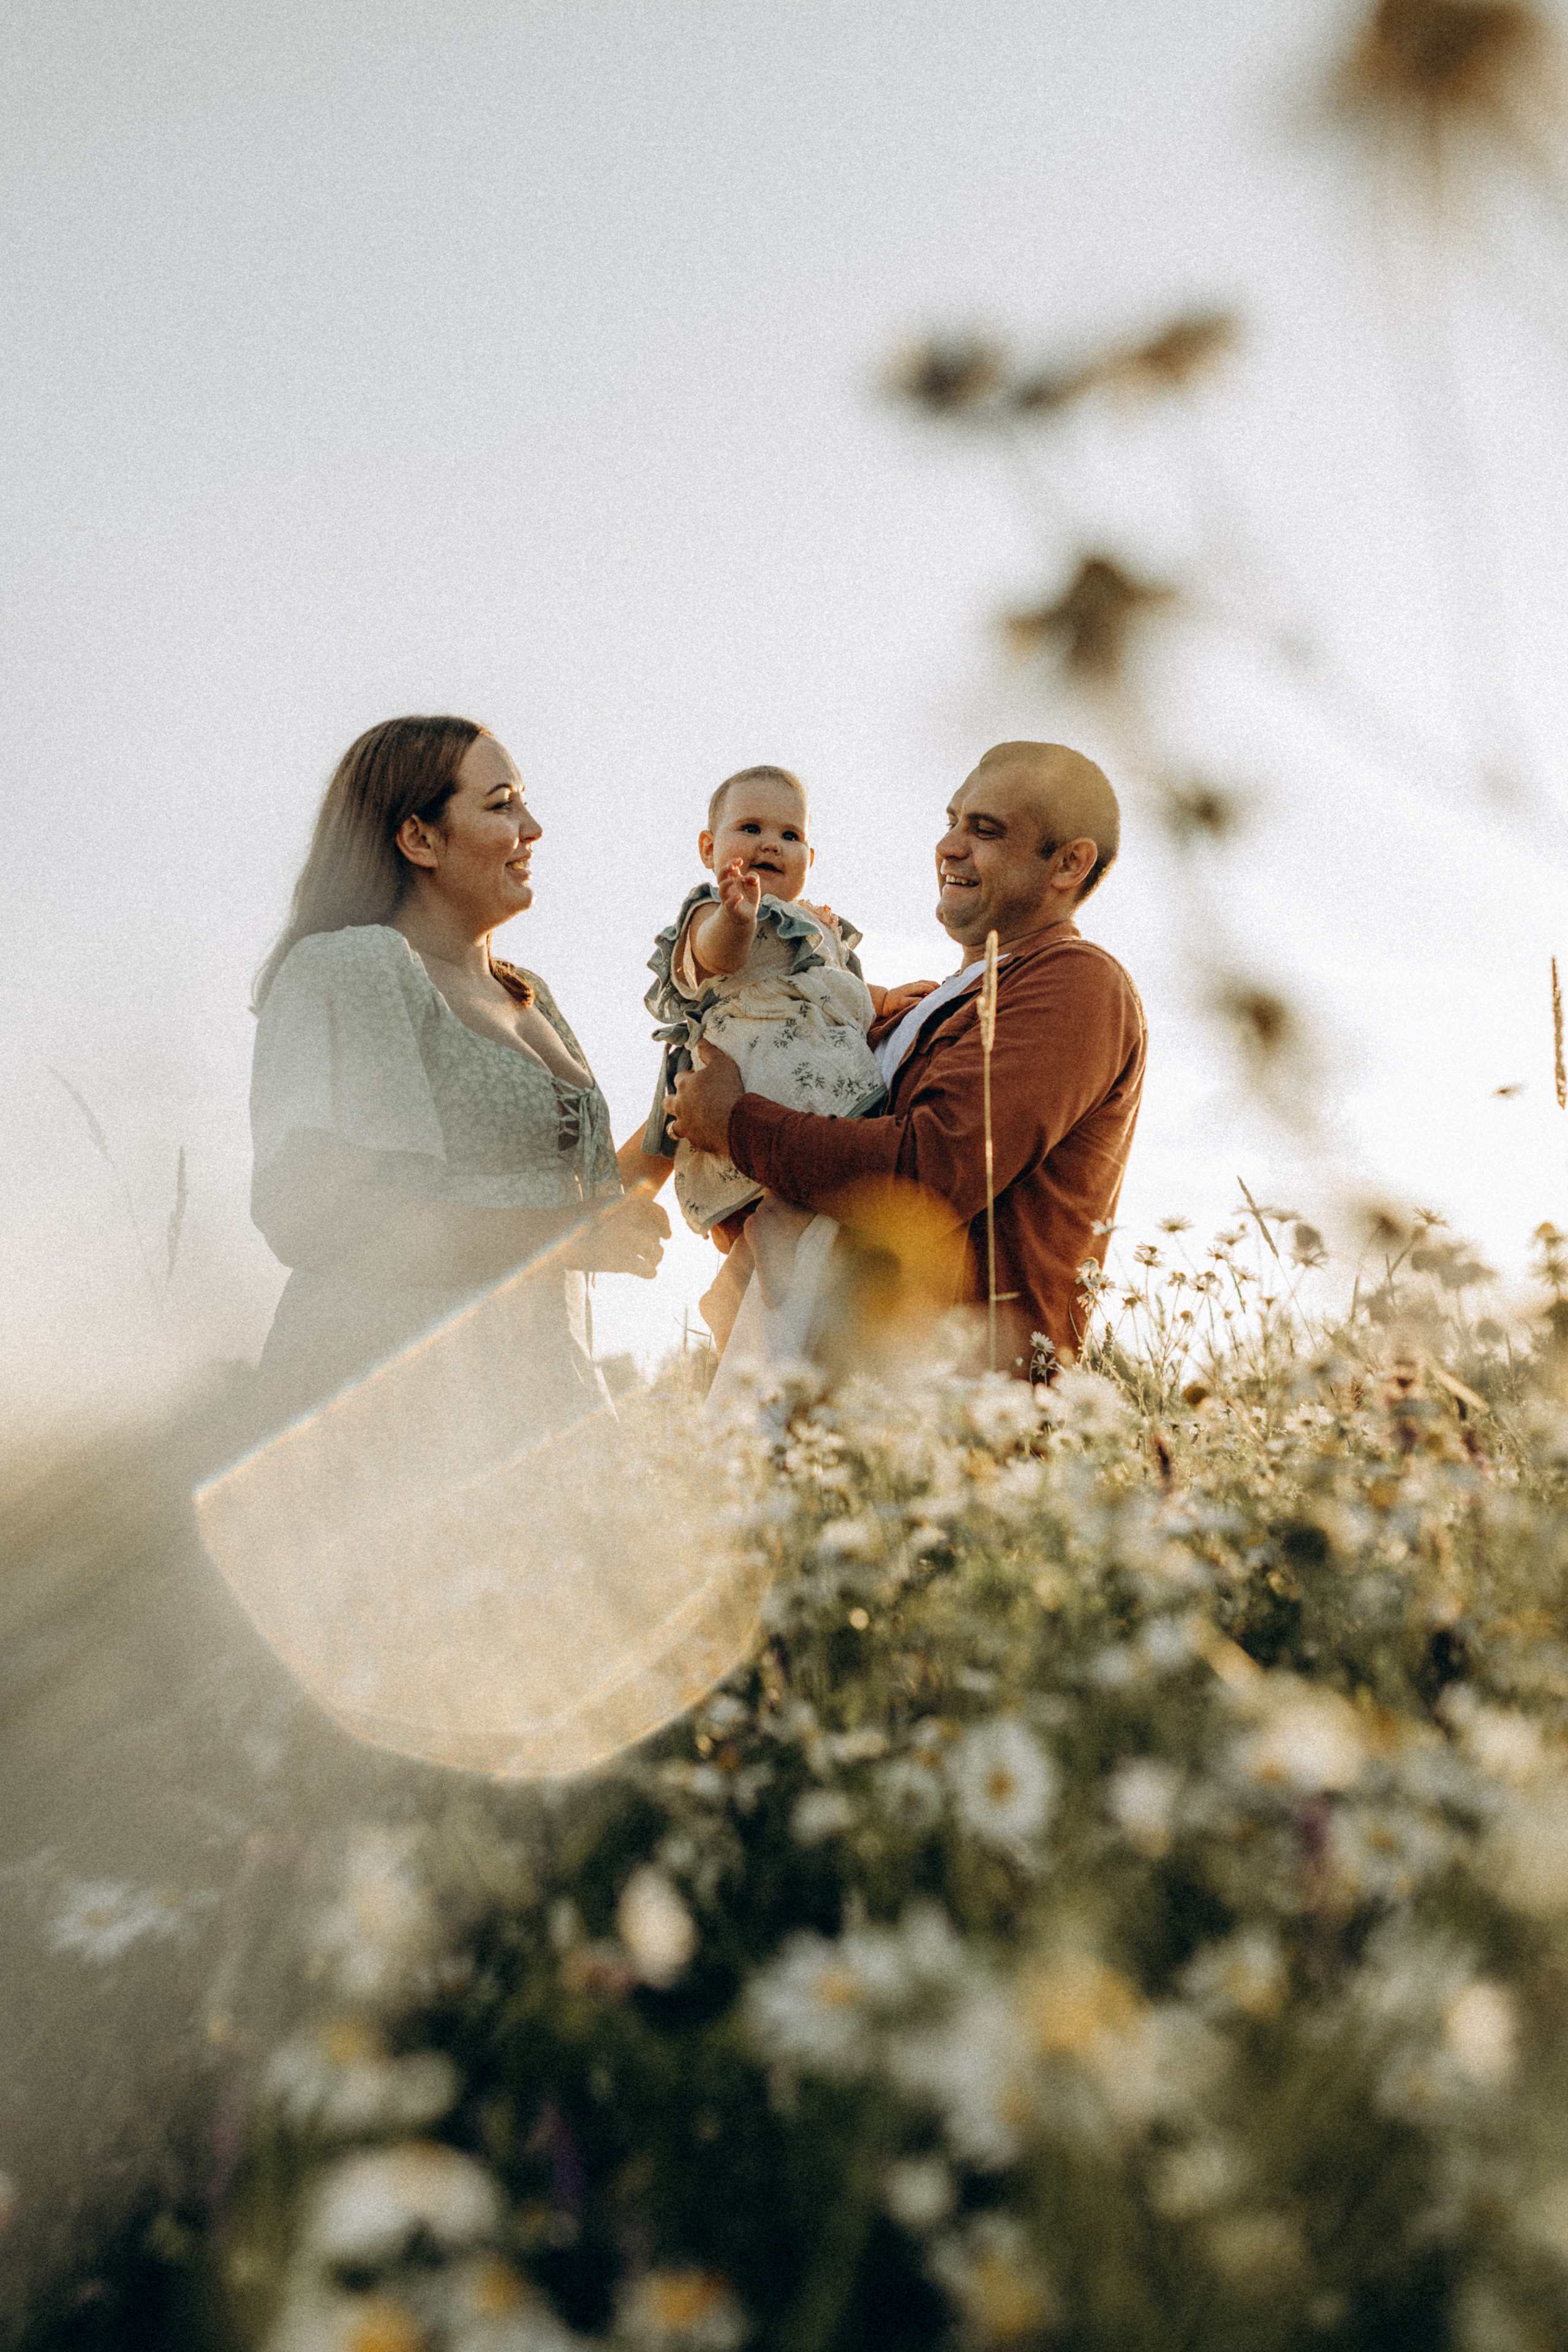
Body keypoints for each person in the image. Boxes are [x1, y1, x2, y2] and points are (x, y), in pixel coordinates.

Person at [667, 741, 1146, 1381]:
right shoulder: (908, 1008)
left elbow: (931, 1169)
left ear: (1068, 863)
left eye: (985, 830)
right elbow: (802, 1172)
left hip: (954, 1410)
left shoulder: (1076, 982)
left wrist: (736, 1125)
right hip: (816, 1386)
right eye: (951, 821)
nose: (950, 846)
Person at [249, 714, 669, 1425]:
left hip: (540, 1383)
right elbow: (322, 1217)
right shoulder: (355, 965)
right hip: (394, 1395)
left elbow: (578, 1200)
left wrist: (693, 1096)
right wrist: (564, 1233)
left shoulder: (529, 993)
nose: (531, 828)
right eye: (502, 804)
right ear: (419, 838)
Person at [635, 764, 933, 1347]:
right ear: (708, 848)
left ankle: (733, 1291)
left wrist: (887, 998)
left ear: (810, 858)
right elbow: (714, 957)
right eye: (749, 828)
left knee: (822, 1178)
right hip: (756, 1072)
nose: (771, 843)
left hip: (810, 1080)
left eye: (790, 835)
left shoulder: (820, 927)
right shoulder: (711, 909)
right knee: (788, 1193)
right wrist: (735, 919)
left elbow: (834, 988)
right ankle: (739, 1284)